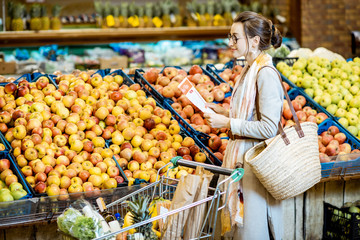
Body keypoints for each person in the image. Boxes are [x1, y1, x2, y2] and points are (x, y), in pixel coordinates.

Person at [204, 11, 284, 239]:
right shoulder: (249, 70)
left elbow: (268, 128)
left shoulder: (265, 73)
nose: (230, 43)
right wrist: (223, 112)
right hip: (242, 164)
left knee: (251, 230)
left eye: (235, 38)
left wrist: (228, 122)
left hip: (254, 168)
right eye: (229, 36)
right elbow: (249, 115)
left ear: (255, 41)